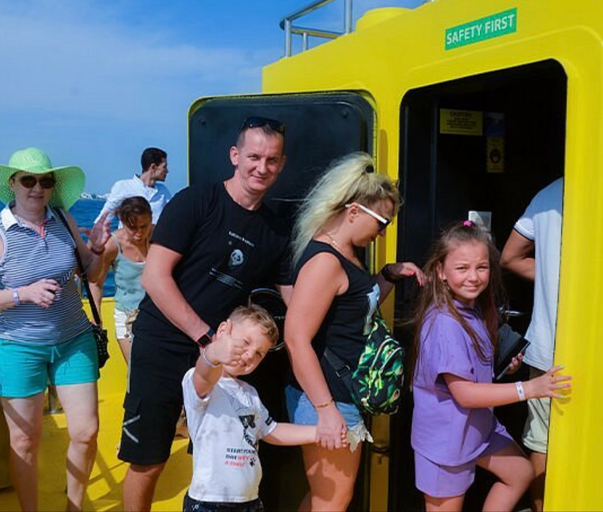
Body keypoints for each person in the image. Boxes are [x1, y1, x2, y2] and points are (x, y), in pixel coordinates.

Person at [118, 116, 293, 511]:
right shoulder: (196, 201)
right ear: (235, 156)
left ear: (282, 164)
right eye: (253, 157)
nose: (261, 168)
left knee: (213, 454)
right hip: (164, 343)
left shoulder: (277, 230)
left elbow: (294, 298)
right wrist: (206, 340)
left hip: (218, 356)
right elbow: (154, 277)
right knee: (149, 458)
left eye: (271, 160)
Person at [0, 147, 110, 512]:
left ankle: (74, 507)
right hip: (19, 347)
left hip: (74, 339)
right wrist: (21, 294)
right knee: (25, 441)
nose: (37, 188)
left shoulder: (63, 218)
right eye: (28, 180)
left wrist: (99, 251)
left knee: (87, 432)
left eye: (45, 181)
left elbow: (92, 272)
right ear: (13, 184)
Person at [283, 152, 425, 512]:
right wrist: (326, 411)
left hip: (335, 395)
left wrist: (387, 277)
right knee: (333, 501)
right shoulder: (326, 262)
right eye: (382, 223)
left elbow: (352, 312)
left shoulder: (346, 253)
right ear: (354, 212)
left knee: (323, 497)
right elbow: (296, 339)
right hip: (327, 398)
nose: (383, 232)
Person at [409, 220, 571, 512]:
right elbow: (466, 394)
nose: (473, 277)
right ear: (440, 272)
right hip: (447, 442)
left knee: (520, 472)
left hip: (476, 429)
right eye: (462, 268)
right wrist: (529, 388)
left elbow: (471, 374)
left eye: (482, 267)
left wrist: (502, 370)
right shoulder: (445, 324)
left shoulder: (471, 310)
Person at [182, 304, 321, 512]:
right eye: (245, 343)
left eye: (258, 354)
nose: (248, 356)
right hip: (210, 503)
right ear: (222, 331)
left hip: (251, 501)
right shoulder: (202, 381)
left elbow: (271, 430)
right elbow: (204, 374)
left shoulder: (249, 393)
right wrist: (214, 353)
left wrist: (319, 432)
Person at [500, 177, 563, 512]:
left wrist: (556, 275)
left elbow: (510, 257)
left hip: (547, 348)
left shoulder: (549, 193)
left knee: (543, 440)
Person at [90, 196, 153, 362]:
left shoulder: (160, 238)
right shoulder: (112, 245)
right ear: (122, 222)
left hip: (157, 315)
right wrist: (97, 317)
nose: (139, 233)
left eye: (144, 226)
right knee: (137, 369)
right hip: (127, 316)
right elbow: (96, 283)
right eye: (132, 228)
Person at [94, 147, 172, 226]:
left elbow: (172, 216)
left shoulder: (163, 191)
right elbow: (104, 217)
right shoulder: (124, 186)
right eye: (164, 167)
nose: (167, 171)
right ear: (153, 167)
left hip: (154, 238)